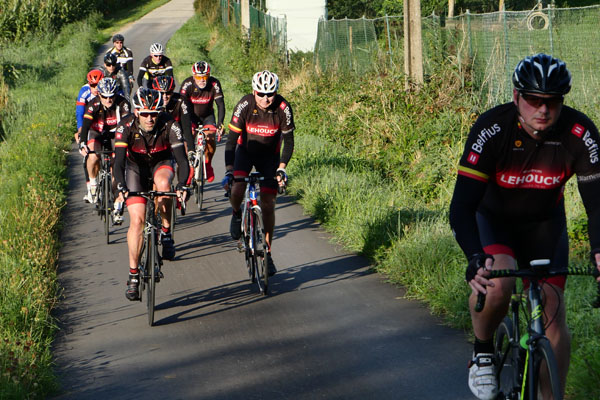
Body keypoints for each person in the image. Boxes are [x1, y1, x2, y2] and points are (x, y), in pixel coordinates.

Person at [449, 53, 600, 400]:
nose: (543, 109)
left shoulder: (579, 133)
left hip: (544, 227)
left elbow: (597, 205)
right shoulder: (493, 128)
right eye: (534, 99)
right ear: (517, 96)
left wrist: (598, 251)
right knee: (497, 284)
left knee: (553, 309)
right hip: (494, 222)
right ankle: (483, 352)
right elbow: (461, 207)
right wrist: (474, 256)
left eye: (552, 101)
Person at [113, 88, 191, 300]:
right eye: (145, 113)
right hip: (135, 169)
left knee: (164, 184)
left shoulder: (170, 125)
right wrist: (121, 187)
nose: (150, 118)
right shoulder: (125, 126)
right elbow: (118, 162)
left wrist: (182, 185)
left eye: (154, 114)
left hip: (161, 163)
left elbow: (182, 160)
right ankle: (133, 274)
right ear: (136, 112)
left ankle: (166, 232)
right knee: (137, 221)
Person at [222, 70, 294, 277]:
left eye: (270, 94)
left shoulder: (283, 107)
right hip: (245, 153)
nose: (265, 98)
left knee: (268, 204)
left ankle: (267, 253)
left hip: (269, 157)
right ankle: (237, 213)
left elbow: (289, 141)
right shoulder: (245, 104)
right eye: (261, 94)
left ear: (276, 93)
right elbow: (230, 141)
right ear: (254, 92)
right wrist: (229, 171)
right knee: (237, 188)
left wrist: (282, 168)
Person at [78, 77, 131, 217]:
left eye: (111, 96)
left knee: (117, 166)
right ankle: (93, 184)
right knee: (93, 155)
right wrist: (82, 143)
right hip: (97, 132)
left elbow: (127, 125)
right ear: (99, 94)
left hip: (116, 134)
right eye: (105, 97)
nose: (108, 100)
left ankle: (116, 200)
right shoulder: (93, 104)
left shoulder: (123, 103)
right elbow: (86, 125)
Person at [179, 61, 225, 182]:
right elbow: (181, 106)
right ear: (193, 76)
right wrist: (184, 124)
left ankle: (208, 164)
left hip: (207, 116)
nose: (202, 80)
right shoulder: (187, 84)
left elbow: (220, 105)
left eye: (205, 77)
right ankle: (190, 168)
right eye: (199, 77)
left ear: (209, 76)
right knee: (187, 140)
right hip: (191, 117)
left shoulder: (214, 84)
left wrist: (220, 123)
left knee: (210, 138)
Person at [76, 69, 104, 203]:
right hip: (90, 125)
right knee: (89, 155)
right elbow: (80, 113)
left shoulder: (107, 89)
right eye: (92, 85)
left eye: (98, 85)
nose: (95, 88)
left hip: (106, 124)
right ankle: (90, 188)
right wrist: (80, 130)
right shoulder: (84, 92)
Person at [152, 75, 194, 152]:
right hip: (159, 136)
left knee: (185, 149)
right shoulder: (151, 103)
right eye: (161, 93)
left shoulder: (180, 101)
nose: (164, 96)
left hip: (178, 134)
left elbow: (186, 127)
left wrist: (191, 150)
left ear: (172, 92)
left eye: (168, 93)